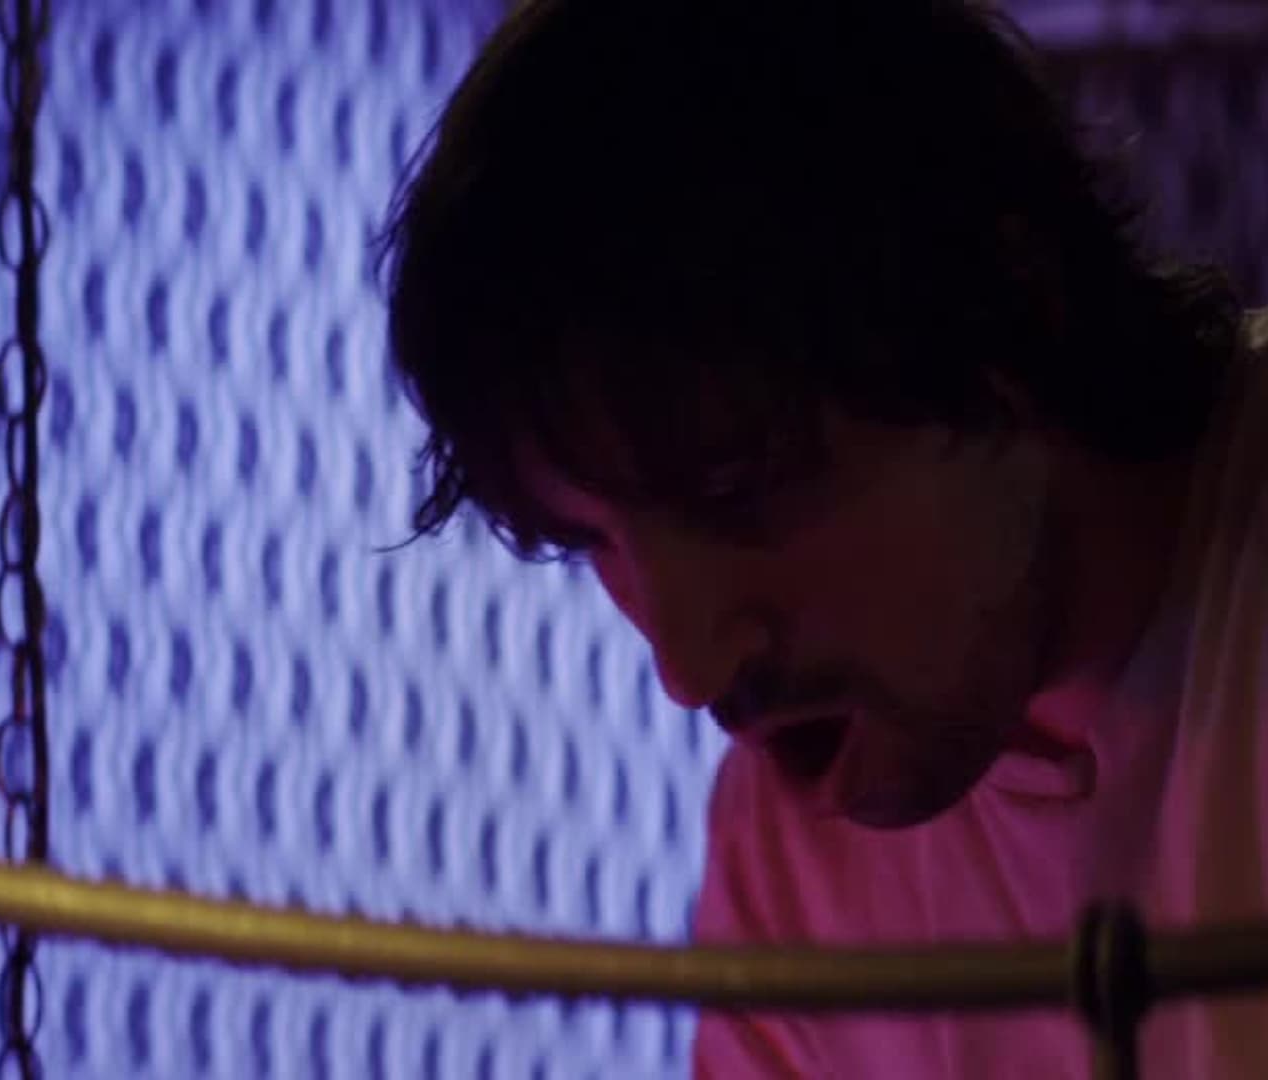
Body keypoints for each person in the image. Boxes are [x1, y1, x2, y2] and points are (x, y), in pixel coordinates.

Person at [376, 0, 1268, 1075]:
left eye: (734, 488)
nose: (689, 669)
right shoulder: (794, 837)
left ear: (1005, 309)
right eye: (592, 541)